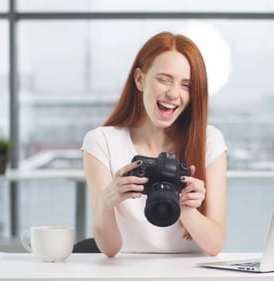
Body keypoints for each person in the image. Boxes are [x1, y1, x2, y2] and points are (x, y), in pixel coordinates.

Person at [81, 31, 228, 257]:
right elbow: (109, 249)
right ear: (140, 79)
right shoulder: (101, 142)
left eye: (186, 85)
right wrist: (105, 204)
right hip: (126, 272)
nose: (173, 93)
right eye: (164, 79)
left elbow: (215, 245)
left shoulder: (209, 140)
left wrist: (186, 208)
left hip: (193, 273)